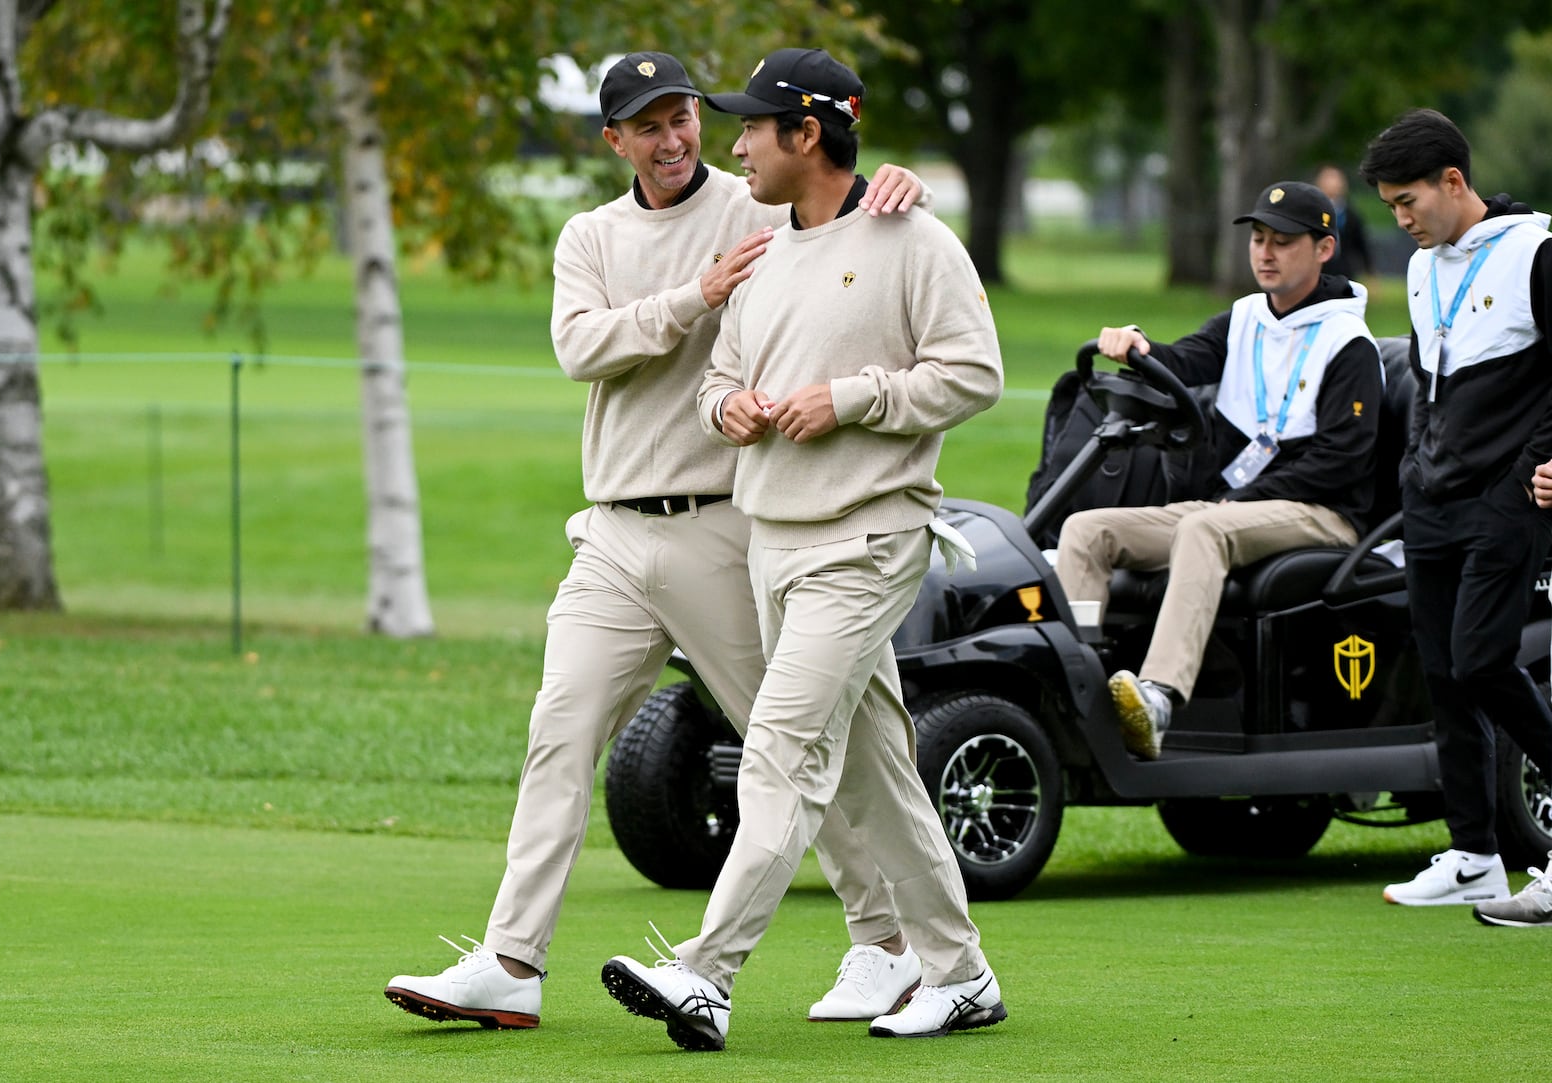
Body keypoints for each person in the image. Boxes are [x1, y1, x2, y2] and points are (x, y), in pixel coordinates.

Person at [383, 51, 934, 1030]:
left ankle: (885, 944)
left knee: (795, 747)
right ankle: (512, 962)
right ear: (615, 140)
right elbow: (580, 346)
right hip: (611, 534)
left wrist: (902, 186)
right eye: (648, 126)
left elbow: (843, 216)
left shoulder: (754, 203)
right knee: (558, 732)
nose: (674, 139)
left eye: (682, 117)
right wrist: (695, 295)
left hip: (728, 528)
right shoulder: (590, 235)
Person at [598, 48, 1007, 1052]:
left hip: (867, 539)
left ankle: (704, 974)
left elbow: (973, 374)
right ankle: (962, 977)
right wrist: (727, 407)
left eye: (750, 127)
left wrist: (853, 400)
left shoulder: (913, 240)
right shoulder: (766, 251)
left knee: (777, 751)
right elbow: (719, 376)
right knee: (878, 772)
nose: (732, 145)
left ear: (807, 134)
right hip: (771, 542)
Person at [1054, 181, 1383, 761]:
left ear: (1324, 249)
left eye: (1283, 242)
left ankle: (1158, 696)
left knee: (1201, 528)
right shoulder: (1246, 318)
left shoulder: (1348, 343)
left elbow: (1341, 460)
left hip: (1324, 514)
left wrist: (1248, 495)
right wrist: (1138, 346)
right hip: (1237, 507)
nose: (1265, 253)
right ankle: (1080, 685)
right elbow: (1182, 361)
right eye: (1259, 239)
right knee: (1087, 530)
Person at [1357, 107, 1552, 910]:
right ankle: (1474, 852)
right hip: (1431, 494)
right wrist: (1413, 471)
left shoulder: (1536, 252)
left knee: (1481, 659)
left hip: (1510, 494)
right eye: (1390, 207)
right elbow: (1432, 382)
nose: (1400, 221)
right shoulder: (1422, 262)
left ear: (1454, 182)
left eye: (1409, 202)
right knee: (1442, 674)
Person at [1314, 164, 1373, 282]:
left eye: (1336, 179)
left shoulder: (1350, 214)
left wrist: (1369, 272)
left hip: (1344, 271)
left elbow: (1361, 244)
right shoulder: (1313, 211)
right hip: (1318, 270)